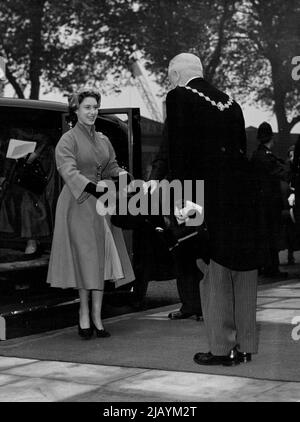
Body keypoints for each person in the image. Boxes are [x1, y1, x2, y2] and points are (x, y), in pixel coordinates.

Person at [152, 53, 260, 366]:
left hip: (206, 199)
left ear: (175, 74)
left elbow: (179, 154)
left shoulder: (179, 97)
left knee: (214, 274)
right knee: (243, 274)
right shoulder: (231, 103)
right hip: (240, 199)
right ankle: (244, 346)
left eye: (169, 76)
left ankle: (220, 349)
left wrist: (182, 206)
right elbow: (240, 150)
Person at [46, 88, 135, 339]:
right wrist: (95, 188)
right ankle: (84, 314)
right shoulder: (68, 140)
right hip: (78, 204)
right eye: (87, 107)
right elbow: (68, 171)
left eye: (95, 107)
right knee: (86, 260)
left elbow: (111, 166)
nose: (93, 111)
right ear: (75, 110)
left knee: (100, 260)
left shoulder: (104, 139)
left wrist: (122, 175)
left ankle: (97, 316)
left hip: (102, 205)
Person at [148, 102, 203, 321]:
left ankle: (191, 304)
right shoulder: (204, 119)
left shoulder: (175, 122)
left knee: (183, 247)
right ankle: (199, 303)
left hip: (183, 192)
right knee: (195, 248)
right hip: (195, 192)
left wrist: (153, 181)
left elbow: (162, 156)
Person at [251, 122, 290, 277]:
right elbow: (279, 171)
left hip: (262, 203)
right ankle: (272, 268)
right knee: (271, 235)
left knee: (264, 235)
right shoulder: (265, 156)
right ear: (271, 138)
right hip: (269, 203)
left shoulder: (258, 155)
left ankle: (265, 266)